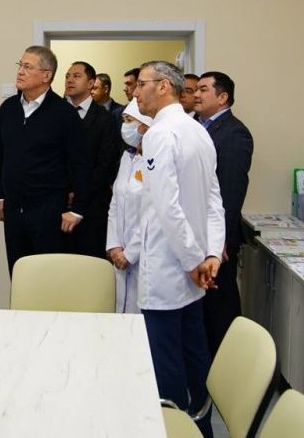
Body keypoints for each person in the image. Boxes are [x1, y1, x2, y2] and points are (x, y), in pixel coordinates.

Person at [132, 60, 225, 437]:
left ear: (163, 87)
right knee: (194, 356)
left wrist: (192, 261)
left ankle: (171, 430)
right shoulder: (197, 130)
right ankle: (201, 429)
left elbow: (166, 207)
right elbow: (214, 202)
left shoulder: (160, 133)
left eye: (141, 84)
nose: (135, 92)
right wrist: (211, 255)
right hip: (194, 271)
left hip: (170, 271)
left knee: (166, 364)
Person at [0, 46, 91, 276]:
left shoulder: (64, 113)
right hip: (13, 210)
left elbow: (81, 163)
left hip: (49, 212)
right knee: (18, 274)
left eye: (28, 67)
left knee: (47, 277)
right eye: (20, 65)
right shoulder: (8, 109)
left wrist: (78, 209)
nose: (20, 71)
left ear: (46, 75)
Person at [194, 71, 254, 357]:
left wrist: (220, 241)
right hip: (201, 234)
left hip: (218, 241)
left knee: (220, 307)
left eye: (204, 89)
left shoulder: (233, 133)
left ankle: (228, 365)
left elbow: (230, 190)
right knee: (204, 307)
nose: (196, 94)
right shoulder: (198, 126)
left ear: (222, 97)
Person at [63, 61, 119, 258]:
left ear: (90, 83)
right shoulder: (56, 115)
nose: (70, 80)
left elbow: (106, 164)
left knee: (90, 265)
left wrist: (79, 194)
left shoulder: (105, 119)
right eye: (67, 76)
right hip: (59, 205)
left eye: (76, 76)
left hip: (92, 207)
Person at [106, 99, 152, 313]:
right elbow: (115, 204)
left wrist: (130, 253)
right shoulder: (127, 157)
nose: (124, 126)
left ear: (145, 126)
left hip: (143, 256)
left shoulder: (153, 161)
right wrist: (114, 246)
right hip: (119, 253)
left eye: (128, 120)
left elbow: (153, 213)